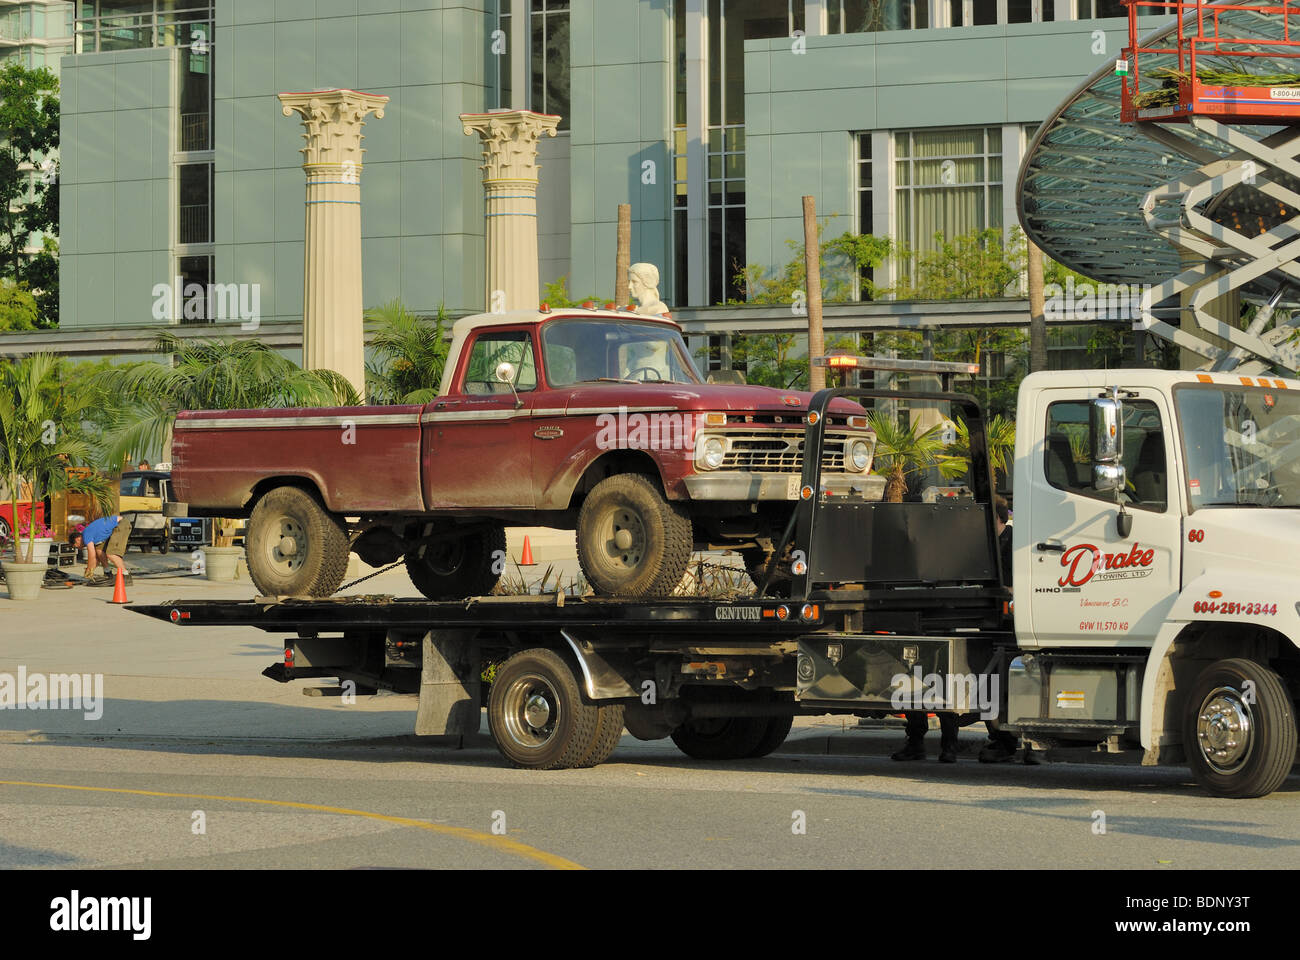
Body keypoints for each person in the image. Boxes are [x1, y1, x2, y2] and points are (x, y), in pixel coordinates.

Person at [977, 495, 1039, 765]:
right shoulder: (986, 545)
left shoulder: (1015, 543)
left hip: (1014, 621)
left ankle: (1026, 744)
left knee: (1020, 683)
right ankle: (1004, 741)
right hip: (995, 620)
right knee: (995, 684)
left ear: (1000, 520)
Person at [70, 514, 130, 585]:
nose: (78, 548)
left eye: (76, 546)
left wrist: (89, 570)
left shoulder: (86, 535)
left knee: (111, 554)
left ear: (77, 539)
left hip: (121, 524)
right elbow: (96, 559)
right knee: (99, 550)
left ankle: (126, 576)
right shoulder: (88, 534)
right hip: (116, 525)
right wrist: (90, 570)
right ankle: (107, 572)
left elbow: (91, 555)